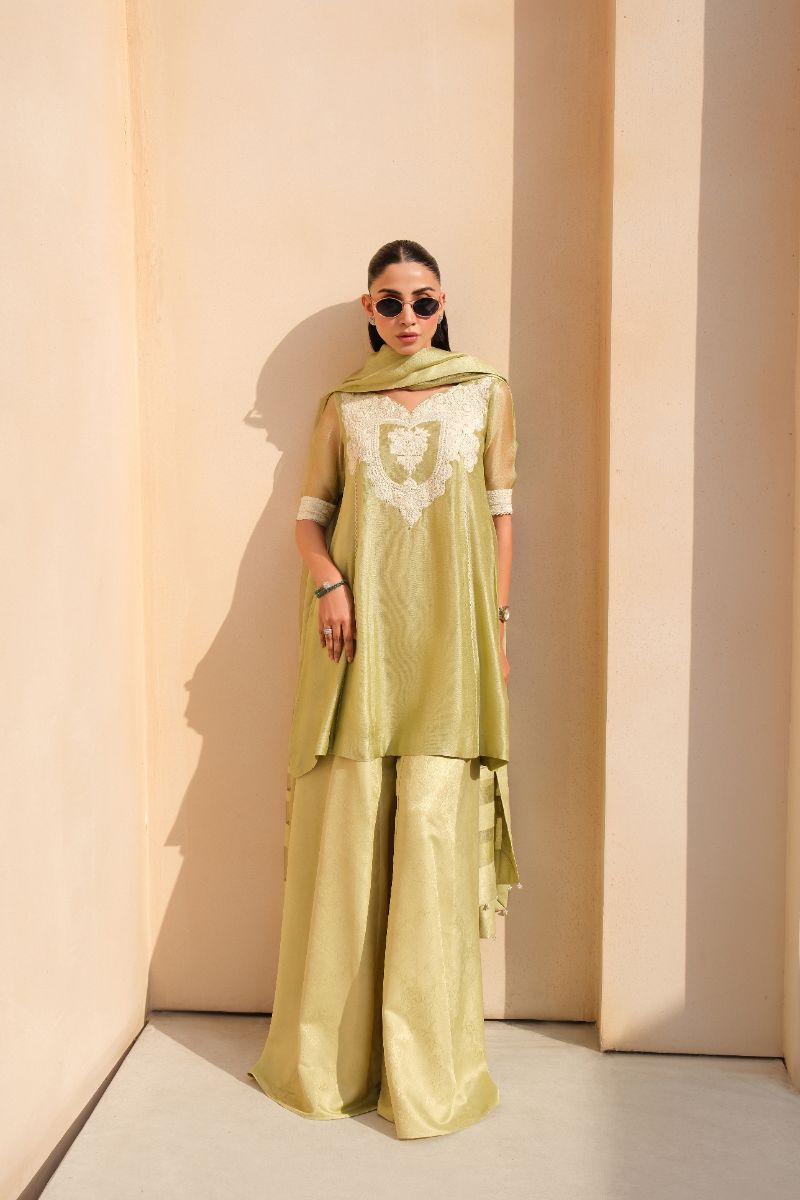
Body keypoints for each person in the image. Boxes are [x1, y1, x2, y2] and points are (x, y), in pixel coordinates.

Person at [247, 239, 522, 1139]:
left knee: (433, 837)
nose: (409, 317)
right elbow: (309, 519)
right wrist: (331, 584)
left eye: (424, 300)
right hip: (360, 648)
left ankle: (427, 1073)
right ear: (369, 308)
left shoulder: (485, 392)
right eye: (392, 302)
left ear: (443, 304)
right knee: (352, 837)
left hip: (450, 647)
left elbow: (502, 517)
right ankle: (334, 1064)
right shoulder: (343, 407)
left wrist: (498, 626)